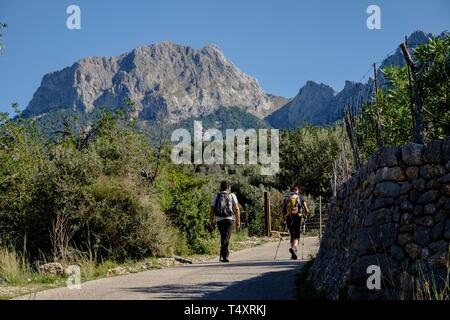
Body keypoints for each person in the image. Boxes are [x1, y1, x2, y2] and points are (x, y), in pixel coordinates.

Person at [210, 181, 241, 262]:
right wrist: (238, 221)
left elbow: (212, 210)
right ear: (229, 187)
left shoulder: (216, 195)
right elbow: (237, 209)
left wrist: (212, 222)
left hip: (219, 219)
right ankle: (224, 256)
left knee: (224, 237)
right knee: (226, 238)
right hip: (229, 219)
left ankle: (222, 256)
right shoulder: (232, 195)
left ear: (221, 187)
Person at [281, 184, 309, 260]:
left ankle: (293, 252)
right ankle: (294, 248)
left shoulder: (287, 198)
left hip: (288, 217)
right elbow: (306, 209)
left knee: (292, 235)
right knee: (297, 235)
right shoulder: (301, 197)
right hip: (298, 217)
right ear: (297, 190)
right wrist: (305, 215)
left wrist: (283, 218)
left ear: (291, 190)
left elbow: (283, 210)